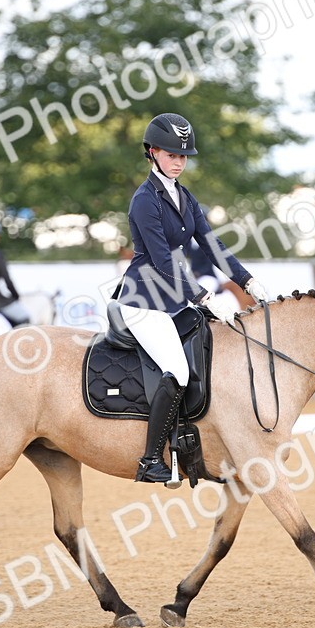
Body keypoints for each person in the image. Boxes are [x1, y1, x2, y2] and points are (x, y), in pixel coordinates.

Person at [115, 112, 268, 484]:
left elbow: (213, 247)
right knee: (178, 370)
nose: (179, 162)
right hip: (142, 300)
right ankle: (151, 459)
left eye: (183, 156)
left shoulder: (184, 196)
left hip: (173, 299)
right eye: (171, 155)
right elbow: (163, 261)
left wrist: (248, 281)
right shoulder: (144, 200)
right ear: (152, 153)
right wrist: (201, 296)